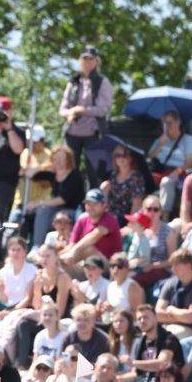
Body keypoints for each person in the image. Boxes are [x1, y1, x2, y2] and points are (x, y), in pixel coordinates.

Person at [59, 46, 112, 180]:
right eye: (84, 59)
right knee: (69, 171)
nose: (87, 62)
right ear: (80, 61)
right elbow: (62, 109)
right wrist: (70, 113)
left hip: (93, 134)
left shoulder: (102, 82)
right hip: (72, 133)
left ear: (96, 62)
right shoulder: (74, 81)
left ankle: (95, 194)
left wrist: (82, 110)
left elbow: (103, 109)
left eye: (90, 59)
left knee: (95, 173)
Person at [147, 110, 192, 214]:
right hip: (161, 170)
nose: (166, 126)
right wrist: (159, 145)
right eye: (164, 123)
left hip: (180, 173)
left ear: (178, 123)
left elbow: (189, 163)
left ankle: (164, 216)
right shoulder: (160, 140)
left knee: (166, 181)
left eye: (169, 123)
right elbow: (149, 158)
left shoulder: (188, 140)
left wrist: (175, 172)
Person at [129, 303, 183, 382]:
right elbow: (135, 373)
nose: (142, 321)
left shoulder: (169, 339)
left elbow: (162, 364)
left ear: (156, 318)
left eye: (146, 317)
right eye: (139, 319)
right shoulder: (141, 341)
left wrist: (133, 363)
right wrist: (116, 378)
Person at [155, 249, 192, 339]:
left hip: (189, 329)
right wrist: (182, 316)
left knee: (170, 338)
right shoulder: (170, 283)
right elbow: (158, 314)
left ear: (188, 265)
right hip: (166, 326)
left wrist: (171, 309)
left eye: (177, 264)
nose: (173, 268)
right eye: (172, 265)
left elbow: (191, 318)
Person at [61, 189, 122, 269]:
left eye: (95, 204)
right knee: (57, 261)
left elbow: (94, 236)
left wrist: (72, 252)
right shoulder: (82, 219)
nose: (90, 207)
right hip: (88, 265)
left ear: (104, 205)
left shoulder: (109, 219)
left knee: (88, 248)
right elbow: (72, 245)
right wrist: (56, 256)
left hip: (111, 268)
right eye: (88, 204)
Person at [100, 145, 147, 222]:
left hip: (125, 216)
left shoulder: (136, 177)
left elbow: (137, 203)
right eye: (118, 155)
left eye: (124, 155)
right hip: (109, 213)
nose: (121, 158)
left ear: (130, 158)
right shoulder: (113, 174)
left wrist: (131, 223)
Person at [0, 236, 38, 307]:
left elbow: (28, 299)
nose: (15, 252)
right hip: (9, 309)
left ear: (25, 251)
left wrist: (12, 311)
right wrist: (1, 291)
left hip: (26, 309)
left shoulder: (32, 270)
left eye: (19, 250)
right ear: (8, 252)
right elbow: (4, 300)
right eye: (13, 250)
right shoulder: (4, 271)